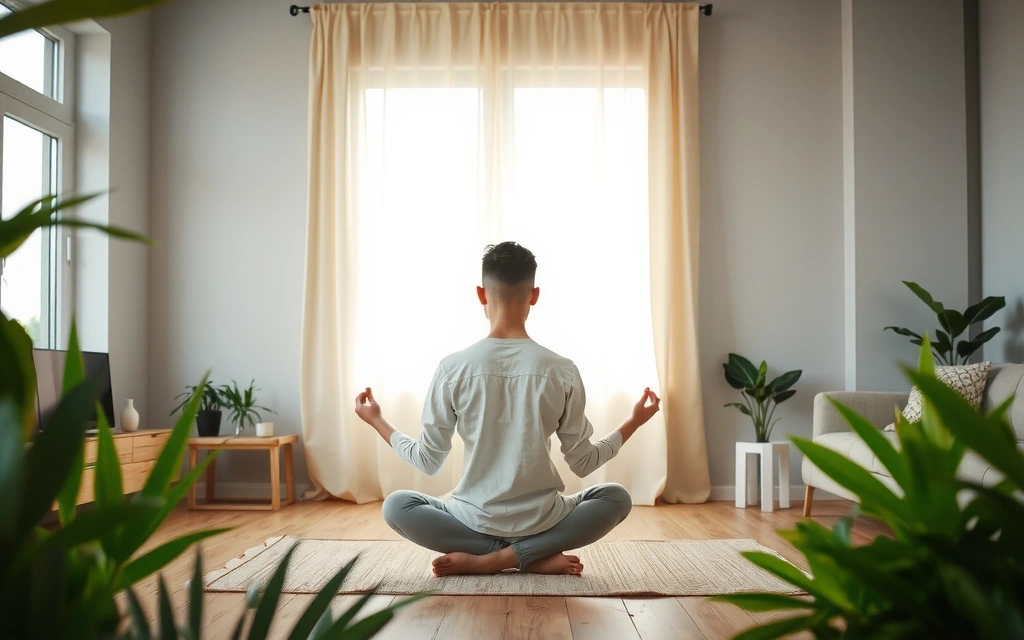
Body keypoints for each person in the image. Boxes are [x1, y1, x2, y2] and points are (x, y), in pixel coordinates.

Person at [354, 241, 661, 577]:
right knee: (616, 498)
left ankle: (491, 559)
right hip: (543, 522)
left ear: (481, 294)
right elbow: (584, 462)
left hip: (473, 521)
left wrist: (377, 420)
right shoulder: (562, 370)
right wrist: (634, 421)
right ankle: (528, 556)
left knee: (397, 506)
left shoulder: (452, 368)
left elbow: (427, 460)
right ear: (535, 295)